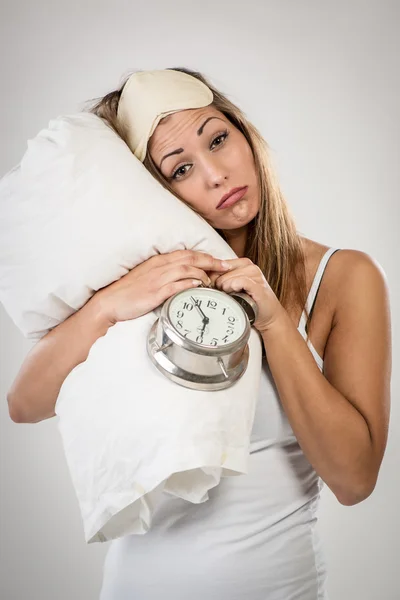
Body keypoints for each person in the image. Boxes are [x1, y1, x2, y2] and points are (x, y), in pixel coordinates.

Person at [7, 68, 391, 600]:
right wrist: (112, 304)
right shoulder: (144, 282)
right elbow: (24, 403)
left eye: (218, 139)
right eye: (181, 168)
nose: (215, 173)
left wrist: (275, 322)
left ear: (244, 133)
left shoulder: (343, 278)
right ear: (154, 191)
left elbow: (354, 479)